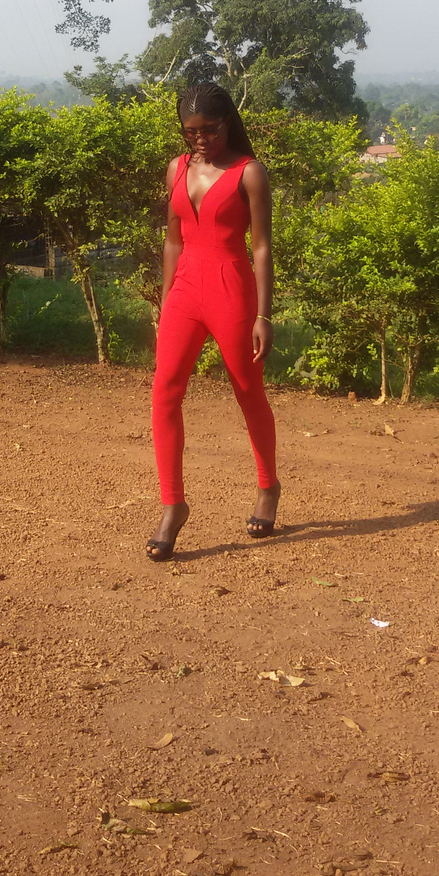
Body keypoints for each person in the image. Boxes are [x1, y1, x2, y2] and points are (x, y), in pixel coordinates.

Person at [146, 82, 280, 560]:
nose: (201, 139)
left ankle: (268, 486)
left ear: (228, 123)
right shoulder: (176, 169)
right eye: (191, 132)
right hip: (185, 289)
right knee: (164, 392)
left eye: (210, 129)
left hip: (231, 288)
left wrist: (264, 314)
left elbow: (261, 247)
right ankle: (173, 505)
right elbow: (173, 241)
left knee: (247, 391)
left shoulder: (249, 173)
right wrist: (166, 302)